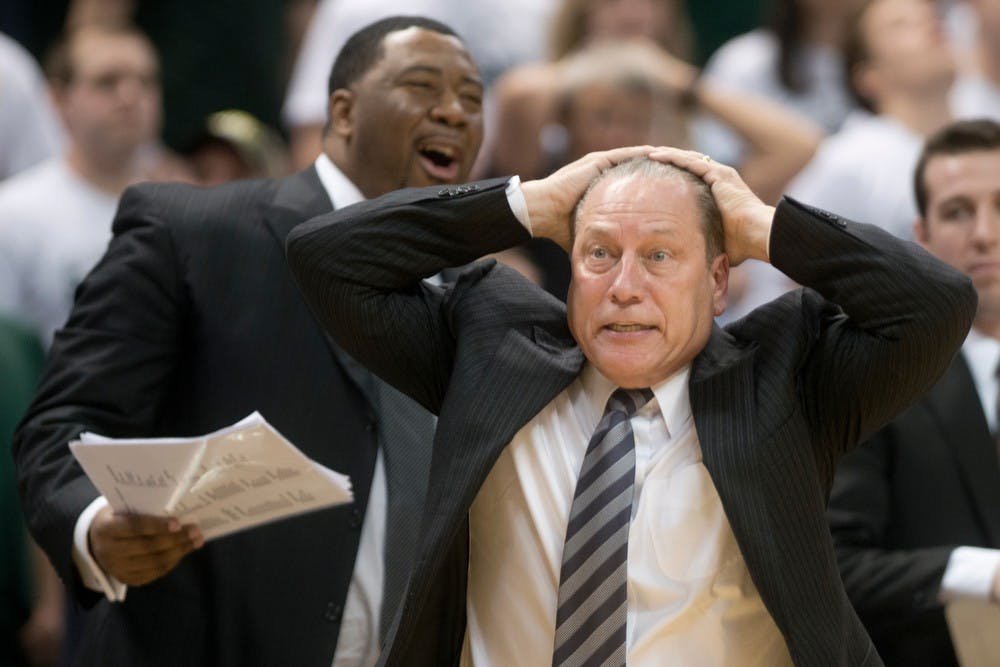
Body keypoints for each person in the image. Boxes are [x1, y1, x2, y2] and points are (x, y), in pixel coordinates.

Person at [287, 144, 975, 665]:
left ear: (718, 280)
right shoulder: (492, 348)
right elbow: (326, 256)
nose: (623, 286)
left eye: (659, 255)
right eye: (599, 254)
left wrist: (762, 224)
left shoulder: (787, 376)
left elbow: (936, 304)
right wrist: (523, 205)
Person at [13, 15, 484, 667]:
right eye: (424, 86)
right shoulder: (195, 233)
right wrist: (97, 524)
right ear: (343, 113)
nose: (455, 112)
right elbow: (60, 425)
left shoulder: (474, 296)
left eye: (473, 99)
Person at [827, 118, 1000, 667]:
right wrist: (981, 574)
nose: (984, 233)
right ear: (920, 238)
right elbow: (834, 567)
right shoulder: (878, 375)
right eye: (958, 211)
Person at [0, 23, 161, 345]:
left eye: (145, 81)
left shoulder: (183, 211)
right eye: (107, 82)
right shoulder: (14, 215)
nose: (130, 96)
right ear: (59, 99)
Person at [787, 0, 957, 240]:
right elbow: (784, 261)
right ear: (868, 76)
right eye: (900, 24)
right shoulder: (852, 159)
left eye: (930, 16)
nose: (930, 24)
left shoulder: (988, 130)